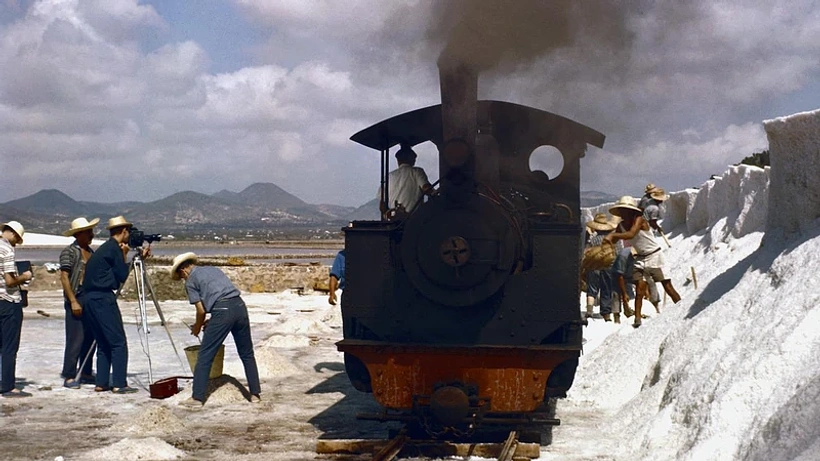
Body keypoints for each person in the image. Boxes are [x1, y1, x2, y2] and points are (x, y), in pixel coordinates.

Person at [171, 252, 261, 407]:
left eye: (181, 277)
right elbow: (224, 298)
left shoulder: (190, 281)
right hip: (240, 306)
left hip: (222, 311)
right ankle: (255, 394)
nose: (183, 279)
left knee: (205, 355)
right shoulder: (213, 269)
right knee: (247, 353)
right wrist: (214, 319)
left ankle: (197, 398)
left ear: (183, 271)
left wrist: (197, 327)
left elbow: (201, 311)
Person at [82, 215, 142, 394]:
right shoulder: (114, 248)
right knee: (118, 342)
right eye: (128, 232)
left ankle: (101, 382)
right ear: (123, 231)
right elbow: (122, 275)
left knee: (103, 342)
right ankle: (119, 383)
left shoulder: (104, 248)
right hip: (102, 298)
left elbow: (115, 275)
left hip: (89, 299)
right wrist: (125, 254)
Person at [604, 196, 681, 328]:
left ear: (631, 211)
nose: (623, 214)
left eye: (625, 211)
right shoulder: (621, 226)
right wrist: (606, 246)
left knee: (667, 286)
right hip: (640, 258)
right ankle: (637, 318)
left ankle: (681, 308)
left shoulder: (639, 220)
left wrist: (612, 235)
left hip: (654, 255)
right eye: (621, 211)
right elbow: (615, 241)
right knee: (640, 289)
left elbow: (631, 234)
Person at [59, 217, 99, 389]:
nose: (91, 235)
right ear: (79, 234)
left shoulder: (91, 252)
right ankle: (69, 374)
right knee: (75, 338)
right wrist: (73, 300)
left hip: (90, 297)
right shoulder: (69, 252)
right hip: (77, 296)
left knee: (90, 336)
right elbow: (64, 277)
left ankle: (85, 371)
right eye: (88, 232)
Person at [0, 221, 33, 397]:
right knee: (9, 346)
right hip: (9, 301)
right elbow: (10, 281)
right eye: (17, 240)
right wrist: (25, 276)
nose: (16, 244)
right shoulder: (6, 250)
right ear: (13, 234)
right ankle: (8, 385)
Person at [378, 143, 435, 218]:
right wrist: (436, 193)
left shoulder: (389, 176)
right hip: (414, 219)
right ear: (413, 160)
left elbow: (382, 205)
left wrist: (390, 216)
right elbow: (426, 188)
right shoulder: (417, 171)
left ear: (398, 160)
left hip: (394, 221)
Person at [583, 213, 618, 321]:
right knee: (606, 288)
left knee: (592, 288)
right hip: (608, 266)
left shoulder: (592, 239)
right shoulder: (611, 239)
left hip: (594, 266)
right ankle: (606, 313)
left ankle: (589, 311)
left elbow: (587, 252)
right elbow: (615, 253)